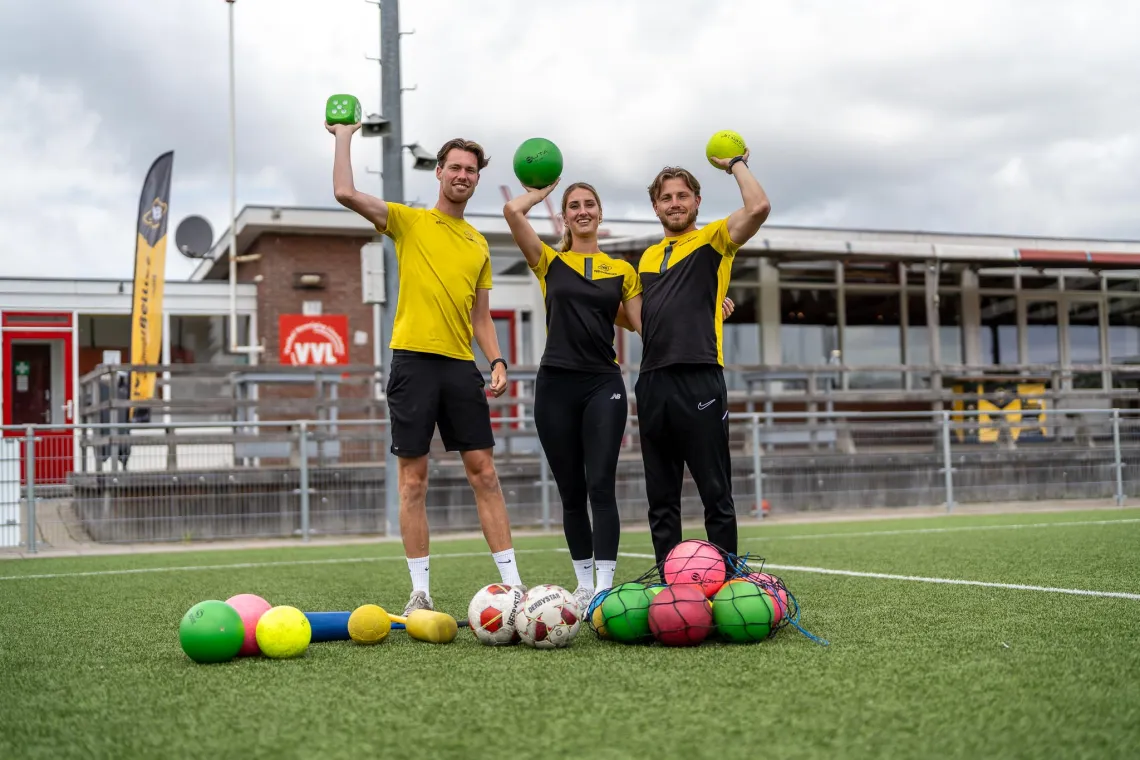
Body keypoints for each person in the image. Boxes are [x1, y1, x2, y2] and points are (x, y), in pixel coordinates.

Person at [326, 119, 525, 615]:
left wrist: (497, 359)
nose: (462, 175)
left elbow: (480, 314)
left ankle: (514, 585)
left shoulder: (479, 244)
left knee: (485, 475)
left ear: (476, 179)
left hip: (461, 367)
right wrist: (344, 136)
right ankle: (420, 591)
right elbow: (345, 192)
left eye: (471, 170)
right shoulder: (408, 221)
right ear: (438, 173)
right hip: (413, 364)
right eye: (455, 167)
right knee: (413, 480)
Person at [502, 178, 640, 612]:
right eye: (574, 206)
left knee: (601, 485)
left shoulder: (621, 270)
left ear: (601, 213)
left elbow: (643, 323)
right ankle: (582, 586)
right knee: (571, 490)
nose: (583, 211)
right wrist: (542, 192)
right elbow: (512, 213)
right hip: (556, 386)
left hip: (603, 383)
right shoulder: (548, 261)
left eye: (590, 204)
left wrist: (713, 305)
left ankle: (603, 586)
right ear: (564, 216)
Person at [633, 146, 771, 569]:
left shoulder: (714, 239)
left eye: (682, 196)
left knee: (715, 491)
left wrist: (735, 165)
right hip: (652, 382)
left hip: (700, 377)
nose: (674, 203)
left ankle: (730, 579)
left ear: (696, 201)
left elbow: (759, 206)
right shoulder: (647, 257)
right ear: (655, 206)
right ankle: (666, 581)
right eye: (666, 197)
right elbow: (645, 318)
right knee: (661, 499)